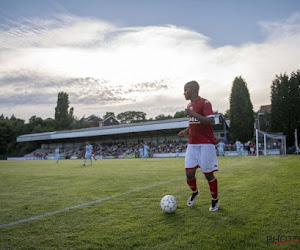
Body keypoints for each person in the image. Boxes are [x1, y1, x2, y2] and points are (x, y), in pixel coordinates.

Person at [178, 81, 219, 212]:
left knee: (208, 174)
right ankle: (195, 192)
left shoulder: (205, 103)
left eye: (186, 89)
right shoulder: (189, 105)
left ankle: (215, 201)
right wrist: (186, 130)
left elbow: (211, 121)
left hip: (206, 143)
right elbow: (194, 123)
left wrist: (193, 114)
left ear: (194, 89)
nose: (184, 92)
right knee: (189, 173)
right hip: (192, 144)